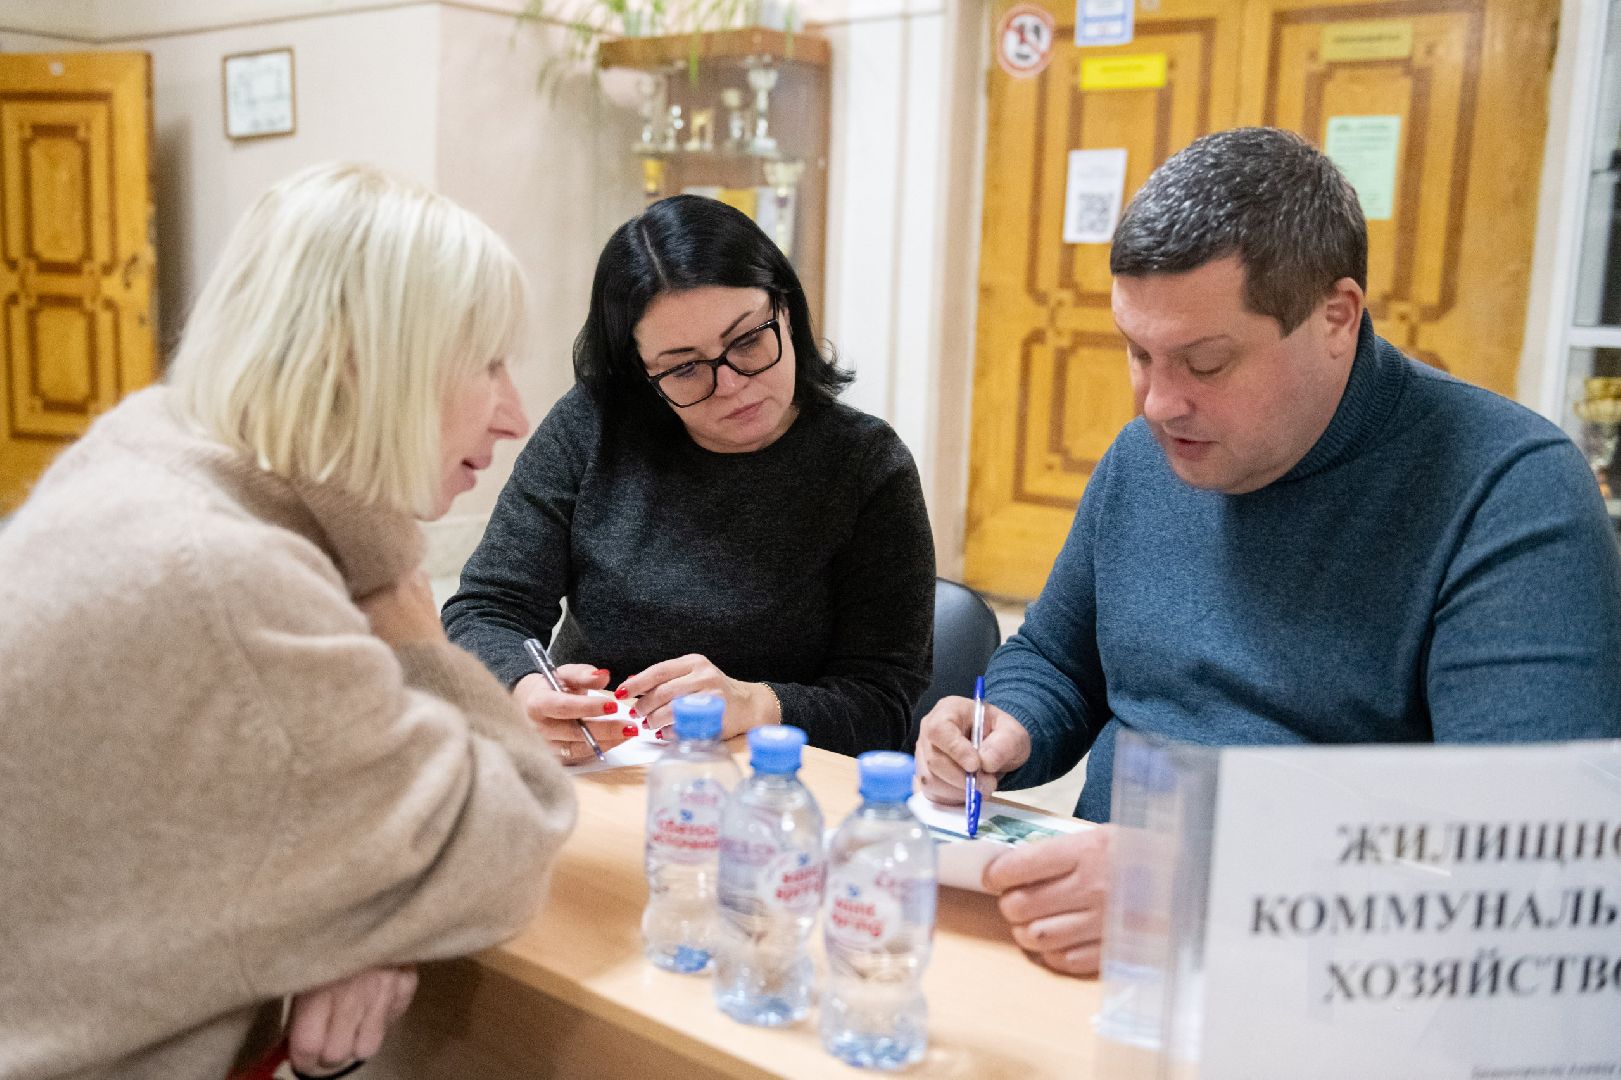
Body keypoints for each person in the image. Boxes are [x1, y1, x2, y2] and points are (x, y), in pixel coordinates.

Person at [915, 127, 1621, 977]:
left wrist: (1201, 889)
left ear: (1335, 318)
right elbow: (1061, 660)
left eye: (1204, 363)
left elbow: (1530, 863)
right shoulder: (1149, 456)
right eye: (1137, 353)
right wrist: (1003, 726)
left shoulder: (1506, 492)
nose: (1157, 402)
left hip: (1318, 984)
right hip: (1087, 944)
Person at [0, 163, 577, 1078]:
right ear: (368, 364)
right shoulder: (229, 582)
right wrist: (402, 601)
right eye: (487, 363)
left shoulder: (151, 457)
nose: (513, 413)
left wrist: (368, 906)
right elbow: (513, 835)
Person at [443, 195, 935, 760]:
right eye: (683, 368)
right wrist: (525, 688)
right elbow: (486, 609)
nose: (731, 384)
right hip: (604, 769)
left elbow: (883, 707)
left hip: (775, 789)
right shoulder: (593, 426)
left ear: (788, 311)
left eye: (748, 341)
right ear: (640, 373)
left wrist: (760, 704)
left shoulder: (866, 466)